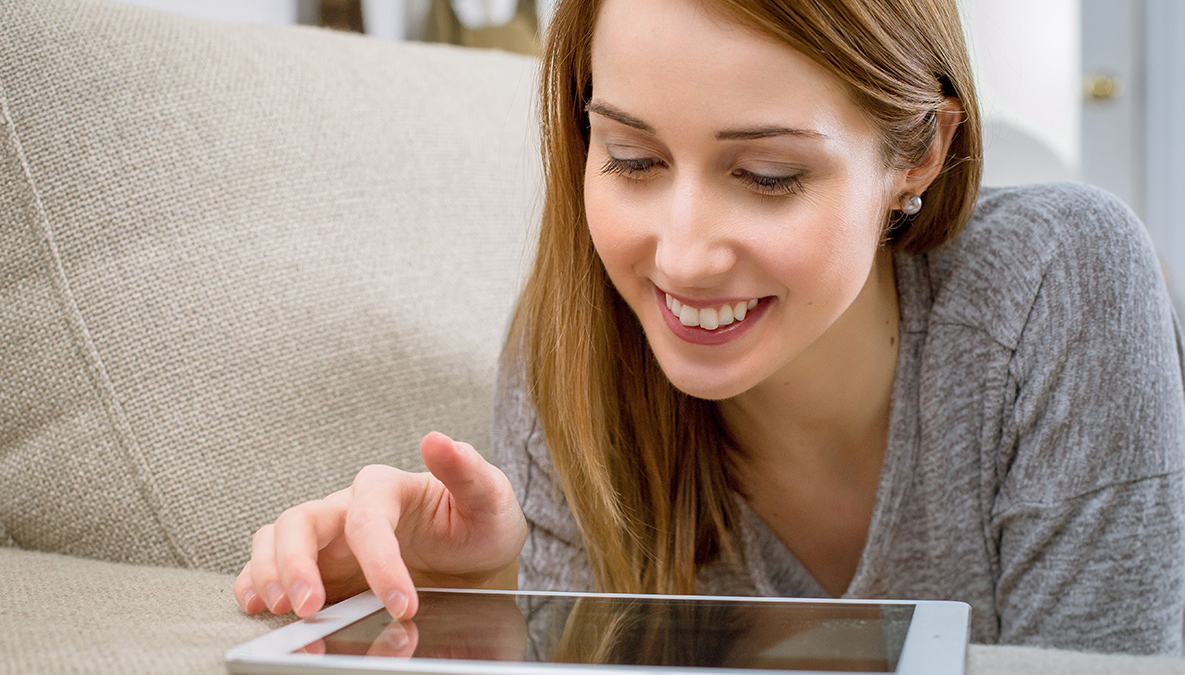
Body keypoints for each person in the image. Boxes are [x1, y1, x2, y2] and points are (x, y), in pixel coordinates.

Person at [234, 0, 1185, 654]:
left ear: (921, 150)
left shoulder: (1062, 284)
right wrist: (482, 610)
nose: (681, 259)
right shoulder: (570, 351)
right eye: (635, 158)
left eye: (767, 176)